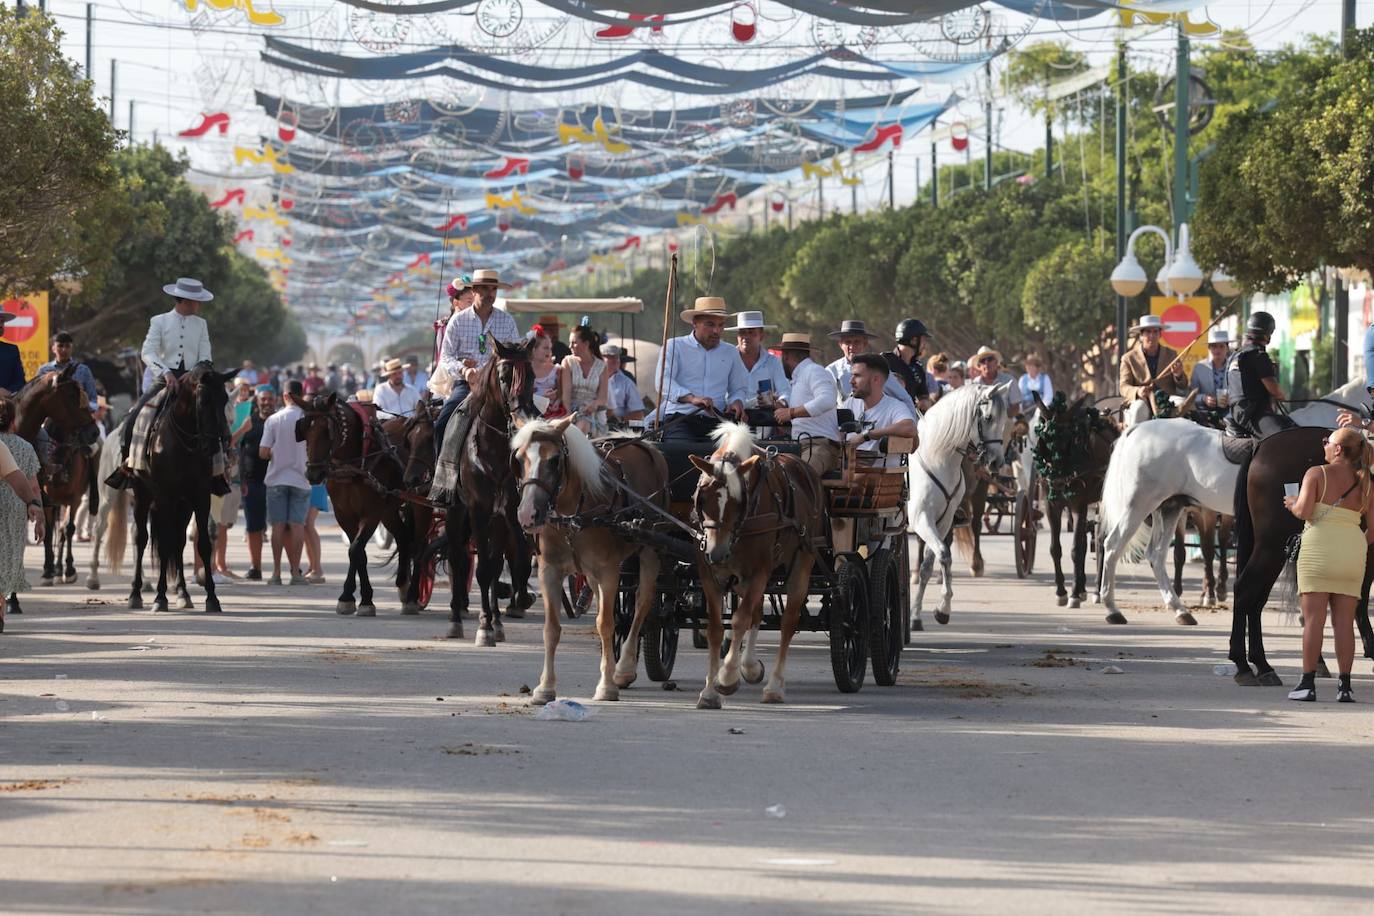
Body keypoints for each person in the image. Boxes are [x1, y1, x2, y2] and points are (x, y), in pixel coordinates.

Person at [107, 277, 229, 495]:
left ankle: (217, 472)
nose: (198, 306)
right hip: (164, 378)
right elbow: (148, 352)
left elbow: (206, 355)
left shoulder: (201, 324)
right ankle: (127, 467)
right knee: (134, 417)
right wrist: (166, 372)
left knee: (214, 417)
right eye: (195, 301)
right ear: (183, 300)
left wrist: (194, 372)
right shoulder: (159, 321)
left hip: (194, 380)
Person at [1283, 426, 1374, 703]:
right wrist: (1356, 543)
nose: (1323, 445)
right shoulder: (1367, 481)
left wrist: (1292, 502)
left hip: (1318, 550)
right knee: (1344, 623)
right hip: (1351, 553)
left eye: (1327, 441)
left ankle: (1307, 684)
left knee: (1314, 621)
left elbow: (1304, 511)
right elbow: (1373, 531)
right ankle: (1344, 686)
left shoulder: (1316, 473)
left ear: (1337, 449)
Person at [434, 268, 521, 447]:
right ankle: (440, 471)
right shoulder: (457, 321)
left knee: (528, 423)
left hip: (499, 387)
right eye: (485, 289)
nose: (490, 294)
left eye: (493, 290)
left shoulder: (507, 321)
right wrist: (465, 371)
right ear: (474, 291)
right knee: (442, 424)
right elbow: (446, 356)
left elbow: (515, 356)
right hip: (465, 386)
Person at [653, 297, 748, 440]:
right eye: (710, 324)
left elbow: (738, 388)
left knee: (732, 457)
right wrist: (691, 398)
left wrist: (737, 401)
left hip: (717, 421)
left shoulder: (731, 352)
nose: (716, 330)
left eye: (721, 325)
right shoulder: (674, 346)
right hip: (680, 419)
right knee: (680, 453)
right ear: (695, 323)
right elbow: (663, 383)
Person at [259, 379, 310, 586]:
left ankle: (276, 572)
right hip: (301, 478)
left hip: (277, 479)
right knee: (298, 526)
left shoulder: (273, 419)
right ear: (302, 394)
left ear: (285, 396)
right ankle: (296, 573)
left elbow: (262, 452)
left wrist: (276, 454)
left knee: (278, 527)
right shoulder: (309, 420)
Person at [0, 396, 44, 633]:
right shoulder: (24, 447)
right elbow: (30, 484)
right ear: (14, 421)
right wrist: (36, 506)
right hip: (15, 506)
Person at [773, 333, 841, 475]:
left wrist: (790, 413)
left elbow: (827, 400)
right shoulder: (802, 375)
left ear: (785, 356)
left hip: (820, 446)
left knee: (800, 478)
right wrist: (782, 409)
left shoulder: (814, 371)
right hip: (804, 446)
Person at [842, 354, 917, 468]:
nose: (851, 381)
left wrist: (866, 435)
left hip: (880, 478)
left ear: (876, 379)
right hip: (849, 473)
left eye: (857, 376)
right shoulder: (850, 403)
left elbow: (910, 428)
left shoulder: (895, 406)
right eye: (852, 375)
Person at [1228, 311, 1294, 437]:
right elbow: (1275, 391)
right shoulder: (1258, 355)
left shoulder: (1235, 355)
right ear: (1267, 334)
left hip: (1237, 411)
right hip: (1254, 413)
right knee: (1284, 438)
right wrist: (1282, 395)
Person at [1120, 314, 1187, 426]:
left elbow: (1183, 386)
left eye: (1155, 332)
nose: (1152, 335)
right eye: (1148, 332)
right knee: (1138, 410)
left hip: (1167, 399)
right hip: (1143, 400)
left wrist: (1178, 375)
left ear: (1160, 334)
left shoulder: (1171, 354)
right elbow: (1123, 387)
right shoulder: (1128, 358)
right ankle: (1134, 441)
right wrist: (1138, 391)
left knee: (1182, 404)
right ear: (1141, 335)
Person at [237, 384, 275, 580]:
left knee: (282, 526)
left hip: (277, 482)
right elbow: (236, 448)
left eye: (270, 399)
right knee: (253, 527)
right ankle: (256, 567)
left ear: (276, 400)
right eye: (263, 399)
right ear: (257, 401)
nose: (266, 402)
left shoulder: (281, 422)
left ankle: (286, 568)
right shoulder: (249, 422)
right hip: (252, 482)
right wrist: (240, 478)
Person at [729, 311, 788, 406]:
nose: (746, 337)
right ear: (738, 336)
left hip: (763, 417)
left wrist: (779, 404)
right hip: (732, 415)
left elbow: (785, 392)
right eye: (742, 332)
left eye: (751, 332)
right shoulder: (727, 360)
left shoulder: (773, 362)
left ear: (761, 336)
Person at [560, 324, 609, 436]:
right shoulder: (568, 362)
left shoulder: (601, 366)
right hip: (572, 409)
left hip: (591, 411)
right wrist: (568, 414)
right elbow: (566, 394)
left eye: (574, 343)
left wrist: (594, 404)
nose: (570, 346)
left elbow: (603, 397)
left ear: (586, 344)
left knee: (584, 425)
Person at [36, 331, 99, 412]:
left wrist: (85, 405)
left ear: (71, 348)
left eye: (67, 346)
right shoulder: (43, 370)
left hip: (77, 418)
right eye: (60, 346)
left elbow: (93, 400)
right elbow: (36, 399)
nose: (64, 349)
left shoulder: (83, 370)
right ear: (53, 349)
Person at [885, 318, 935, 411]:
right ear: (914, 340)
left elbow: (923, 396)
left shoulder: (918, 368)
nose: (924, 345)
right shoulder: (885, 362)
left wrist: (925, 402)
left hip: (909, 420)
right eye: (923, 340)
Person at [826, 319, 879, 400]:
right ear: (840, 345)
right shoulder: (831, 371)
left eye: (856, 342)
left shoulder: (877, 368)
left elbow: (900, 395)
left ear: (864, 344)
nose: (851, 347)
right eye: (848, 342)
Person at [1190, 328, 1233, 417]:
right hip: (1205, 412)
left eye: (1221, 346)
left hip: (1230, 412)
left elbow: (1241, 393)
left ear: (1227, 348)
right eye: (1214, 346)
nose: (1218, 350)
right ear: (1209, 348)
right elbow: (1191, 395)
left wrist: (1231, 399)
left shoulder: (1235, 367)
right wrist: (1204, 398)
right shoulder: (1199, 367)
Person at [602, 345, 645, 424]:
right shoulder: (591, 378)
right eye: (611, 357)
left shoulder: (627, 383)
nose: (616, 360)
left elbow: (638, 413)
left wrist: (619, 420)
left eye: (617, 357)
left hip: (615, 429)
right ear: (601, 359)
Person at [528, 325, 562, 416]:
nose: (549, 352)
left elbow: (562, 393)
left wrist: (557, 401)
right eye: (545, 348)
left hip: (553, 415)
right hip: (532, 415)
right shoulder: (525, 372)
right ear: (533, 349)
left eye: (550, 348)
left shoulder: (557, 370)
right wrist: (542, 398)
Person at [304, 483, 328, 585]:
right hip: (305, 482)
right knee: (305, 526)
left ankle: (317, 568)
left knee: (308, 524)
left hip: (315, 483)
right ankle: (312, 566)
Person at [0, 311, 27, 395]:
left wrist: (8, 391)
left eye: (2, 321)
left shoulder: (12, 350)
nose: (0, 325)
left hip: (6, 404)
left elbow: (20, 381)